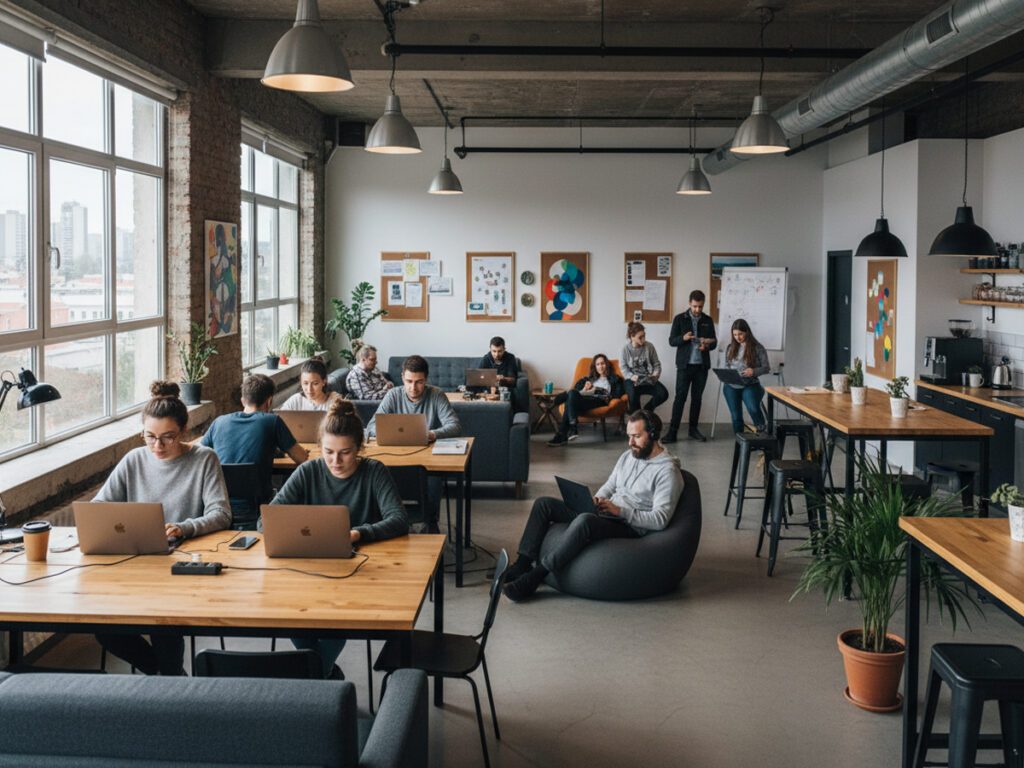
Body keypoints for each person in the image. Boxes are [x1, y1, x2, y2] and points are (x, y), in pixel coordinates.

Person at [94, 381, 232, 675]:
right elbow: (97, 508)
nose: (157, 446)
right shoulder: (133, 460)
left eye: (167, 437)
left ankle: (168, 677)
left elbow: (221, 514)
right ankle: (164, 674)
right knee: (103, 626)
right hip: (135, 563)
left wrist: (184, 528)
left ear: (183, 431)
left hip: (182, 565)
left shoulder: (203, 458)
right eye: (150, 437)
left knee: (163, 618)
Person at [271, 398, 409, 678]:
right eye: (328, 452)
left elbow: (399, 520)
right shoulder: (308, 470)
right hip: (308, 571)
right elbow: (267, 520)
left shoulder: (374, 471)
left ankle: (315, 677)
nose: (335, 461)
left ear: (359, 448)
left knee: (337, 618)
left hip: (358, 573)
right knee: (289, 612)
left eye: (345, 453)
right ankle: (323, 676)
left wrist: (358, 533)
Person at [503, 410, 684, 602]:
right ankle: (522, 564)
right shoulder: (629, 456)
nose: (631, 443)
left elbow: (660, 519)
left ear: (654, 434)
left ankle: (535, 576)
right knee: (544, 504)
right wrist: (595, 500)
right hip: (607, 512)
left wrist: (620, 511)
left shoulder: (668, 472)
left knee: (584, 521)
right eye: (629, 437)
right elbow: (611, 484)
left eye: (636, 437)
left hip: (628, 525)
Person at [366, 355, 460, 533]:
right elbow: (370, 427)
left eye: (419, 382)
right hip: (395, 458)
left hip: (426, 459)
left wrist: (432, 434)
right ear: (402, 377)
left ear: (426, 379)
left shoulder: (436, 394)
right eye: (409, 381)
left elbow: (455, 426)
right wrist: (387, 433)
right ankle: (391, 520)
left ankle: (430, 522)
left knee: (432, 478)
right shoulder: (393, 395)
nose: (413, 387)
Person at [200, 373, 308, 507]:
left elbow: (199, 457)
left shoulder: (218, 422)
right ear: (269, 401)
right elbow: (302, 458)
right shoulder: (272, 421)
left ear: (243, 401)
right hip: (259, 506)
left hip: (219, 505)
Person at [665, 290, 718, 443]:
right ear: (689, 303)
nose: (697, 310)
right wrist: (684, 338)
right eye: (695, 306)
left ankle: (693, 430)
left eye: (700, 307)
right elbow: (672, 341)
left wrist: (706, 347)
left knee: (697, 399)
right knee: (680, 398)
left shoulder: (708, 320)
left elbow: (713, 342)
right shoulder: (680, 319)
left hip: (701, 366)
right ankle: (672, 432)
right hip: (684, 366)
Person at [547, 353, 625, 447]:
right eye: (598, 364)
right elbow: (576, 390)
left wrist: (597, 390)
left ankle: (563, 434)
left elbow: (618, 394)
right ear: (595, 367)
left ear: (607, 364)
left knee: (569, 399)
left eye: (603, 363)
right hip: (585, 398)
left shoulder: (615, 379)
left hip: (599, 400)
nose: (601, 366)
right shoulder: (588, 379)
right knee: (571, 395)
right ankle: (572, 427)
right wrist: (585, 388)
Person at [722, 318, 770, 434]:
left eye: (740, 334)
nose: (737, 337)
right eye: (735, 335)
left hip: (750, 385)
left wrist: (753, 371)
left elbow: (766, 368)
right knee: (736, 415)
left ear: (747, 332)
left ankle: (762, 435)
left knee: (753, 408)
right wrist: (725, 375)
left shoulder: (757, 347)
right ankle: (741, 442)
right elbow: (727, 366)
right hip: (731, 386)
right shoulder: (730, 347)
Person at [620, 322, 669, 413]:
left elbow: (656, 364)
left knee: (663, 394)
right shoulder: (625, 349)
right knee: (633, 395)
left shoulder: (649, 346)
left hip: (647, 379)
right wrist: (631, 376)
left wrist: (656, 374)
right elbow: (623, 367)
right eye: (640, 337)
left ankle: (647, 409)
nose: (643, 339)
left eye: (644, 335)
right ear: (632, 336)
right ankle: (637, 416)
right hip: (632, 381)